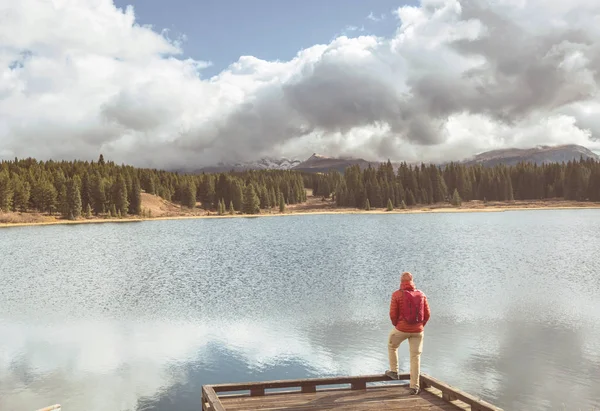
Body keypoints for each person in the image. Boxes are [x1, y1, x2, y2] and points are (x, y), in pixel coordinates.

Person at [385, 271, 430, 395]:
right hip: (418, 331)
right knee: (415, 357)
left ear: (401, 282)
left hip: (401, 329)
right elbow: (427, 314)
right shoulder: (421, 294)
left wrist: (397, 325)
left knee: (392, 345)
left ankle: (394, 371)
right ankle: (414, 386)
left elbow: (393, 314)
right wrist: (420, 326)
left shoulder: (397, 294)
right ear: (412, 281)